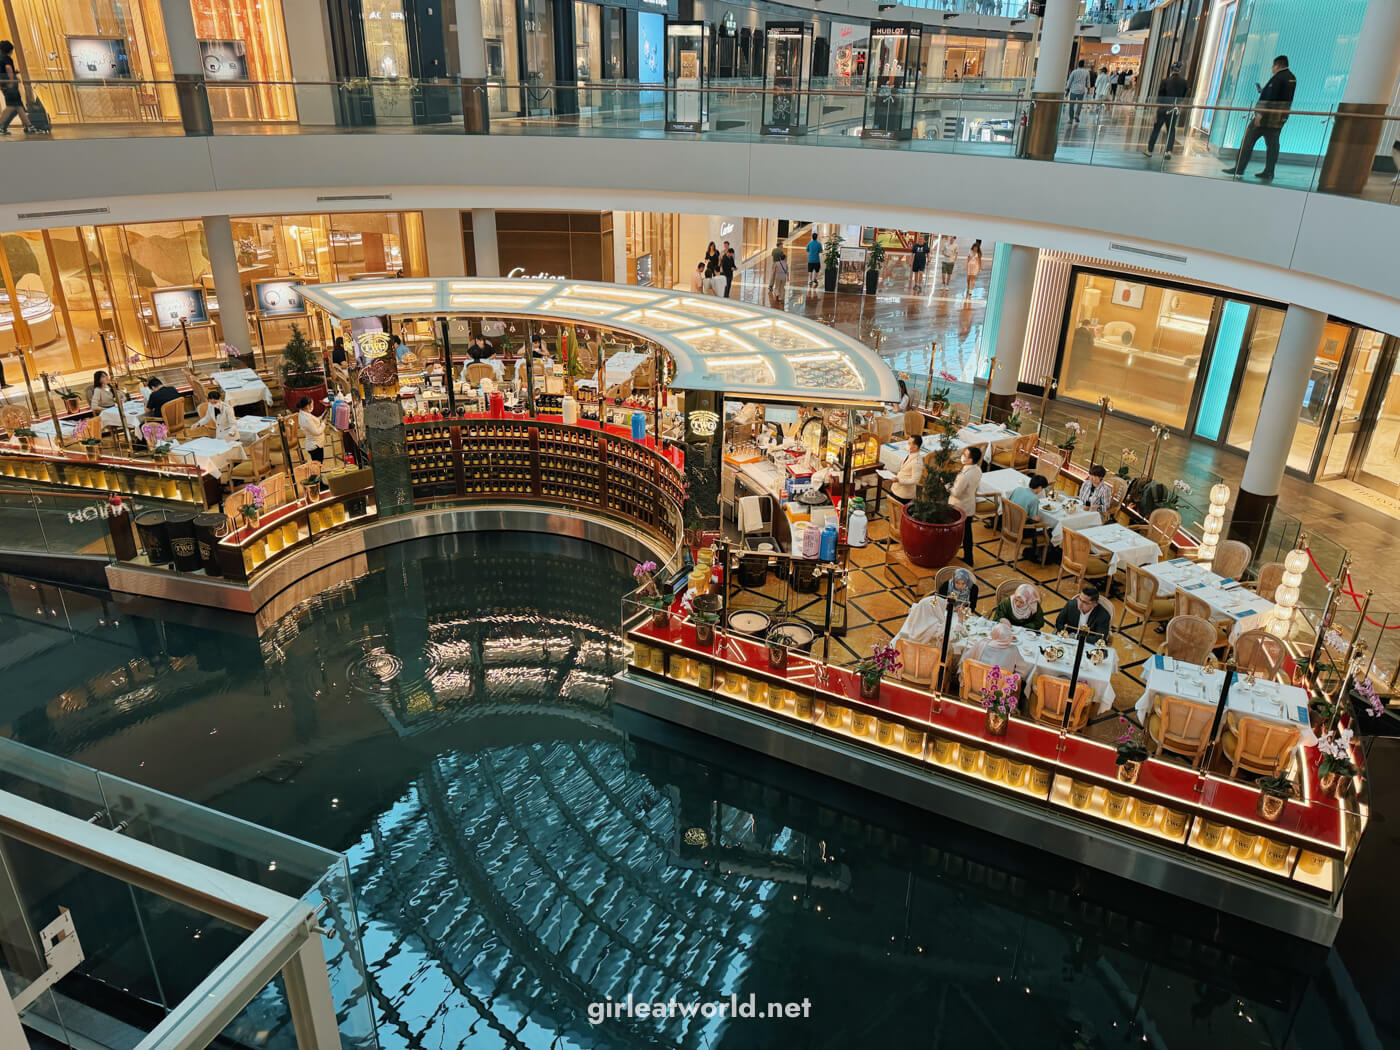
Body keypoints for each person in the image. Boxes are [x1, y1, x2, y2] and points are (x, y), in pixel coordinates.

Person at [1223, 55, 1295, 181]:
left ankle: (1239, 168)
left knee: (1248, 140)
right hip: (1278, 119)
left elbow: (1268, 97)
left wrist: (1259, 115)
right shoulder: (1291, 78)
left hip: (1266, 119)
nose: (1272, 69)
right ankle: (1269, 171)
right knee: (1273, 145)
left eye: (1273, 66)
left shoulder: (1278, 78)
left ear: (1277, 65)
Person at [1143, 62, 1189, 159]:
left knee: (1156, 129)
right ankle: (1168, 151)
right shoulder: (1184, 82)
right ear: (1180, 70)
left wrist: (1155, 112)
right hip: (1174, 108)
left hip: (1163, 108)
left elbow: (1160, 98)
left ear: (1171, 70)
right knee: (1171, 130)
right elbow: (1183, 98)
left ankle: (1150, 150)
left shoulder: (1165, 81)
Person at [948, 445, 983, 565]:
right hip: (969, 506)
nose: (962, 456)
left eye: (965, 455)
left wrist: (947, 486)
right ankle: (969, 558)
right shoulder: (977, 470)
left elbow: (956, 493)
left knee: (954, 533)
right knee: (967, 533)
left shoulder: (965, 474)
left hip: (958, 506)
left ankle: (948, 554)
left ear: (970, 460)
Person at [966, 621, 1031, 679]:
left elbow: (966, 659)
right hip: (1000, 688)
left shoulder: (981, 643)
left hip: (978, 682)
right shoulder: (1013, 650)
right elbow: (1023, 670)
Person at [1009, 473, 1050, 558]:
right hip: (1021, 530)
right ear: (1039, 488)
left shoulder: (1018, 489)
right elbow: (1035, 518)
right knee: (1049, 530)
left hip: (1009, 524)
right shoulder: (1034, 499)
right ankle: (1039, 555)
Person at [0, 41, 33, 135]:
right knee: (12, 106)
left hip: (4, 85)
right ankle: (28, 126)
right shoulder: (7, 58)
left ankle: (28, 126)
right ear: (10, 50)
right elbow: (8, 68)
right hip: (10, 85)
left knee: (18, 106)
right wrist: (12, 80)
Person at [890, 434, 924, 502]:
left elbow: (915, 480)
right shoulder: (910, 454)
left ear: (915, 447)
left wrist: (899, 480)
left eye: (909, 443)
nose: (907, 445)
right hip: (897, 488)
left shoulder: (917, 462)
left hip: (904, 493)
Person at [297, 396, 326, 464]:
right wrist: (323, 424)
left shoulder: (304, 414)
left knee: (318, 465)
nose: (313, 406)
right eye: (312, 404)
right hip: (315, 446)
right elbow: (316, 432)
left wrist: (323, 415)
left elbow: (315, 420)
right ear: (307, 406)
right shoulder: (306, 419)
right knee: (317, 466)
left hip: (315, 444)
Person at [1065, 60, 1091, 124]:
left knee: (1071, 105)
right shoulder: (1086, 72)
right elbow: (1088, 81)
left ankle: (1071, 119)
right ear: (1084, 65)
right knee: (1080, 104)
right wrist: (1088, 89)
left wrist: (1067, 88)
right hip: (1082, 90)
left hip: (1073, 90)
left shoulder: (1074, 71)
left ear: (1078, 65)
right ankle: (1077, 115)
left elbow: (1070, 80)